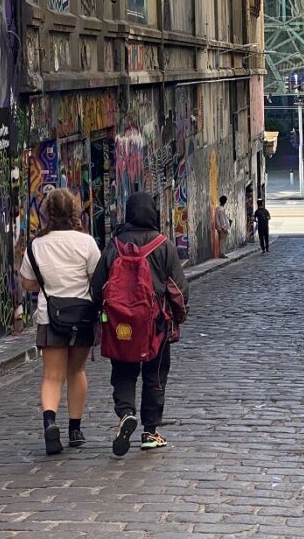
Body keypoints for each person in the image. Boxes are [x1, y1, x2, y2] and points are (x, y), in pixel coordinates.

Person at [92, 192, 189, 455]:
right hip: (156, 325)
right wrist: (178, 318)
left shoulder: (114, 246)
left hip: (122, 325)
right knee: (155, 375)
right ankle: (150, 431)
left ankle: (125, 413)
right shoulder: (164, 246)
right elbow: (179, 290)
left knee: (123, 372)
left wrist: (104, 317)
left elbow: (97, 287)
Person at [19, 188, 102, 454]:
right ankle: (75, 429)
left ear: (46, 212)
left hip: (50, 317)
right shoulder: (86, 242)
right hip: (81, 315)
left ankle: (49, 422)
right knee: (76, 371)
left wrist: (47, 283)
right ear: (75, 211)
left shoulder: (36, 244)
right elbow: (97, 279)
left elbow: (27, 282)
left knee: (52, 375)